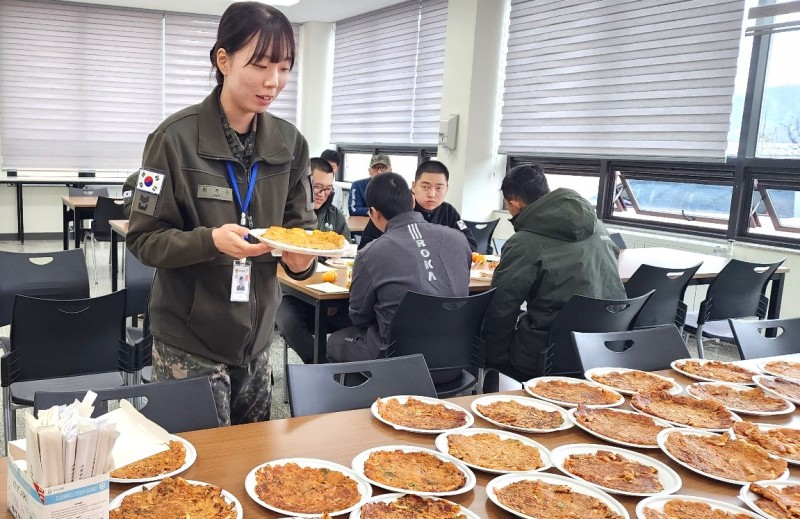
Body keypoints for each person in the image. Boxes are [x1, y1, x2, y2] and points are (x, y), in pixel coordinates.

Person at [126, 1, 317, 426]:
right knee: (196, 475)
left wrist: (301, 261)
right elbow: (143, 240)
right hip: (189, 342)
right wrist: (209, 241)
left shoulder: (290, 144)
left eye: (284, 67)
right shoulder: (171, 140)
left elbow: (302, 228)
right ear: (224, 60)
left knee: (250, 467)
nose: (274, 81)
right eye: (260, 64)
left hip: (257, 339)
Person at [481, 164, 625, 386]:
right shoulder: (599, 227)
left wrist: (495, 357)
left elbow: (501, 306)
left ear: (514, 204)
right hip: (607, 347)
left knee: (483, 346)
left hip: (550, 355)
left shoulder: (524, 242)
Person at [327, 172, 472, 362]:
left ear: (374, 213)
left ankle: (371, 391)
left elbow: (358, 316)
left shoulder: (371, 253)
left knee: (335, 341)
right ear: (412, 201)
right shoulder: (459, 239)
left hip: (399, 363)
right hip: (457, 358)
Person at [275, 157, 352, 363]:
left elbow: (345, 250)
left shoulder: (334, 216)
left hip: (329, 291)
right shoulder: (285, 214)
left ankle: (342, 369)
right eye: (317, 187)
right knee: (288, 322)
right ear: (304, 184)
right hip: (290, 292)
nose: (322, 194)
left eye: (328, 189)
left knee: (358, 318)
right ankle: (320, 367)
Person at [357, 160, 477, 251]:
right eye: (425, 187)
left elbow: (470, 244)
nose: (432, 194)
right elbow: (365, 247)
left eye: (439, 188)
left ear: (447, 189)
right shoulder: (396, 208)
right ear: (414, 186)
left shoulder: (449, 212)